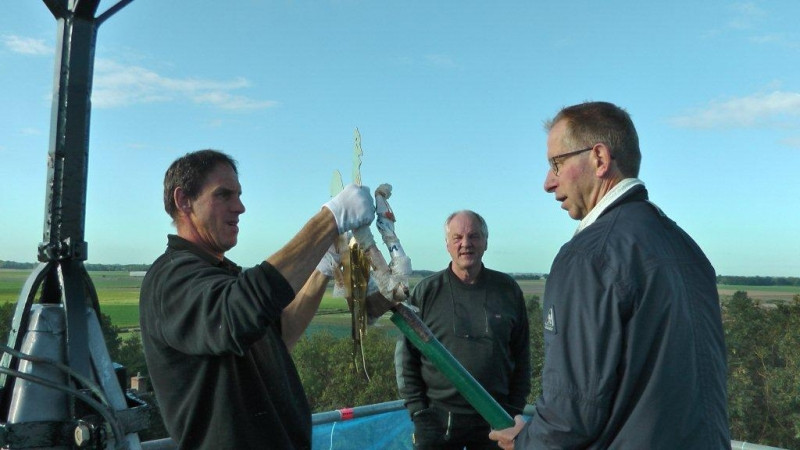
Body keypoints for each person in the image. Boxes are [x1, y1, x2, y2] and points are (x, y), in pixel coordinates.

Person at [489, 101, 731, 449]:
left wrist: (526, 442)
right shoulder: (688, 249)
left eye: (556, 163)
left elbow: (570, 415)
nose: (547, 182)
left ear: (599, 159)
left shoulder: (588, 257)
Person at [139, 149, 375, 449]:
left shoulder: (223, 275)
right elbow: (238, 313)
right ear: (183, 200)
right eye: (224, 195)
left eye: (239, 195)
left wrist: (321, 269)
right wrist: (329, 219)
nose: (240, 207)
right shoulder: (171, 279)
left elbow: (281, 332)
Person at [395, 210, 531, 450]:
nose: (465, 244)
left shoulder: (508, 290)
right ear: (447, 244)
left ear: (486, 242)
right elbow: (407, 357)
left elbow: (522, 356)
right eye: (457, 237)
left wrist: (513, 410)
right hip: (438, 423)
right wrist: (419, 413)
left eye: (474, 236)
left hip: (497, 422)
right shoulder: (426, 292)